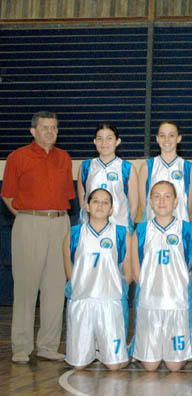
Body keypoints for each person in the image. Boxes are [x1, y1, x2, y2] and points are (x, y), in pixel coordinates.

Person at [2, 111, 75, 364]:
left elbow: (68, 195)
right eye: (45, 128)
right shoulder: (17, 157)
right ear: (33, 131)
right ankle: (21, 347)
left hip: (59, 223)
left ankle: (48, 345)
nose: (50, 132)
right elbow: (8, 196)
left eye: (54, 128)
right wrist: (29, 216)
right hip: (29, 223)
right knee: (25, 288)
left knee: (55, 288)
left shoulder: (64, 158)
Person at [130, 181, 192, 371]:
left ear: (176, 201)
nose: (162, 201)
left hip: (177, 304)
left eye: (167, 196)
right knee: (150, 366)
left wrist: (186, 292)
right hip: (150, 303)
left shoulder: (187, 229)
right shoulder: (141, 230)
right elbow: (135, 268)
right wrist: (147, 290)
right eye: (157, 196)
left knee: (174, 366)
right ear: (150, 202)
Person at [63, 188, 131, 370]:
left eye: (105, 202)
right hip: (82, 302)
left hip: (110, 303)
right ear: (87, 206)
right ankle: (93, 347)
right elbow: (70, 273)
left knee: (114, 367)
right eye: (95, 201)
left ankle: (118, 349)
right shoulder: (74, 233)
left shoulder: (121, 233)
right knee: (78, 366)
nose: (100, 205)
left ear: (111, 209)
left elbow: (129, 272)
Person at [77, 123, 139, 233]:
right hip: (90, 229)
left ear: (117, 141)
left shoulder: (127, 168)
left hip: (119, 227)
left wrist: (127, 228)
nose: (104, 143)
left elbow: (134, 205)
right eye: (100, 139)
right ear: (95, 142)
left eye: (109, 138)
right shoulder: (86, 167)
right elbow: (83, 200)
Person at [139, 121, 192, 222]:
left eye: (171, 135)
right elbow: (144, 204)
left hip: (179, 226)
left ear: (179, 138)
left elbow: (189, 205)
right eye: (162, 135)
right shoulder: (147, 167)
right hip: (153, 228)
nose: (167, 139)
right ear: (157, 139)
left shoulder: (189, 168)